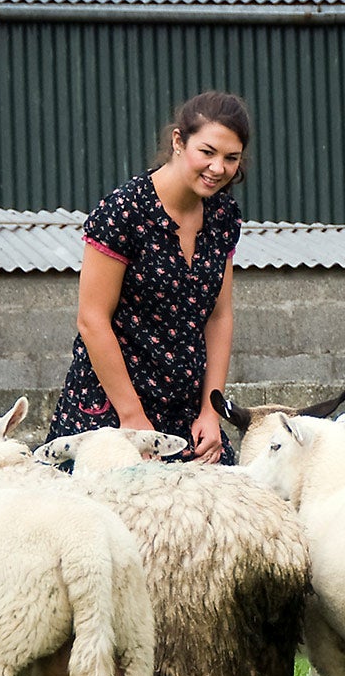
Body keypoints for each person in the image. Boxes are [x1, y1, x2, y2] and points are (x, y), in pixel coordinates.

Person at [46, 91, 250, 465]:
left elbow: (219, 317)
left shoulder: (223, 216)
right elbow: (92, 320)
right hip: (112, 412)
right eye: (207, 152)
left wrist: (211, 409)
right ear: (178, 141)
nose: (219, 168)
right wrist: (133, 423)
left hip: (187, 413)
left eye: (231, 158)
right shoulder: (124, 211)